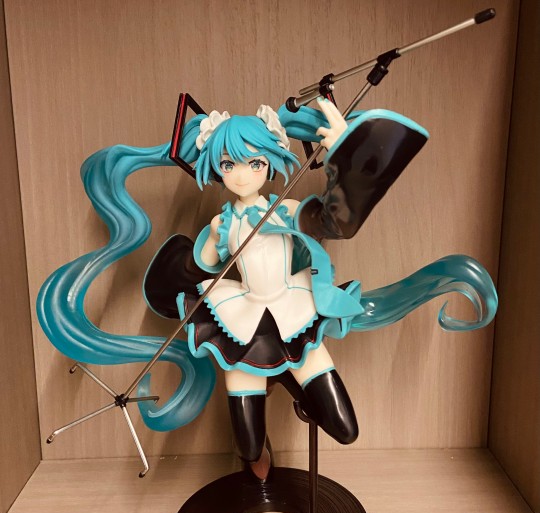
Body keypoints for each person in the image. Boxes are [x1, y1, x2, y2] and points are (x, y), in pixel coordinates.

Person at [37, 97, 498, 475]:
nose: (241, 174)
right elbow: (195, 269)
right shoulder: (221, 225)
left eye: (254, 162)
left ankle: (294, 389)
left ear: (271, 160)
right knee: (249, 443)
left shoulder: (286, 210)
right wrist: (205, 251)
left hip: (295, 312)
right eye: (228, 163)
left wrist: (347, 156)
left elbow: (338, 221)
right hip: (241, 324)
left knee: (344, 426)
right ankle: (264, 454)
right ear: (215, 168)